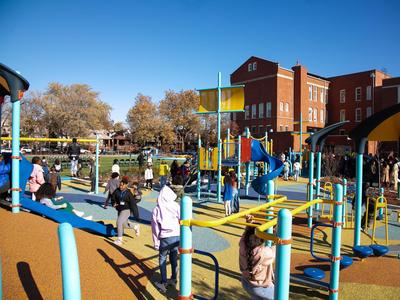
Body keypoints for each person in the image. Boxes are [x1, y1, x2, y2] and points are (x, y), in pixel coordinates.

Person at [151, 185, 180, 293]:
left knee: (162, 257)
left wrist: (156, 242)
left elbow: (155, 227)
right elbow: (182, 219)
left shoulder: (157, 209)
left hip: (165, 236)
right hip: (176, 235)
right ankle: (173, 278)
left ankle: (163, 282)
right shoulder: (176, 206)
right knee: (173, 256)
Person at [239, 215, 275, 300]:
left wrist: (249, 223)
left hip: (246, 283)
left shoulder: (242, 244)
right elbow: (276, 250)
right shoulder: (264, 253)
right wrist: (276, 234)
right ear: (262, 240)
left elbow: (246, 234)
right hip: (261, 287)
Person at [111, 176, 140, 245]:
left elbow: (133, 204)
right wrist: (113, 203)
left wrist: (136, 216)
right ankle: (135, 227)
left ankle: (119, 240)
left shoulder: (128, 193)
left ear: (126, 185)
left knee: (119, 222)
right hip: (119, 210)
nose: (120, 187)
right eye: (120, 185)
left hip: (126, 210)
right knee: (124, 225)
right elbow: (113, 198)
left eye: (122, 185)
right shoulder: (117, 191)